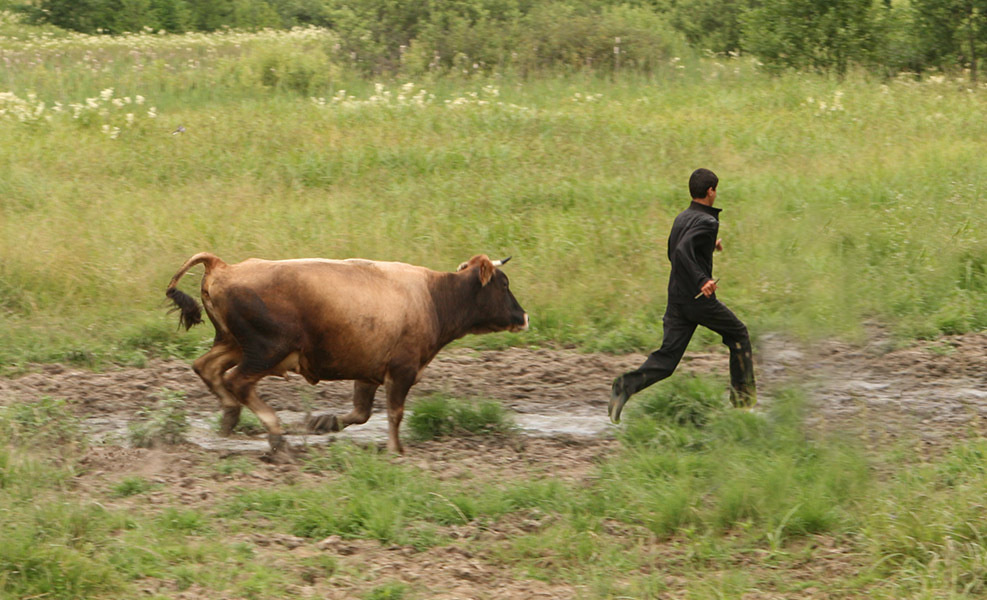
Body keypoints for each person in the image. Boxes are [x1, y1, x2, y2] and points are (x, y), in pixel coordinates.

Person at [608, 168, 756, 423]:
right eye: (715, 190)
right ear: (711, 191)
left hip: (677, 298)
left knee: (667, 359)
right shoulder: (708, 221)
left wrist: (710, 245)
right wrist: (703, 280)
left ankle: (625, 386)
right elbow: (681, 251)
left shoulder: (682, 217)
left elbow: (676, 249)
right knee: (739, 334)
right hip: (697, 301)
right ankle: (743, 405)